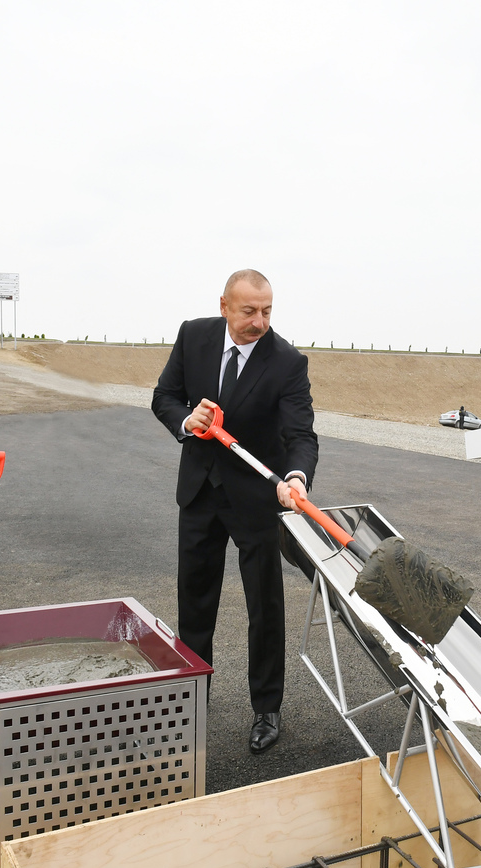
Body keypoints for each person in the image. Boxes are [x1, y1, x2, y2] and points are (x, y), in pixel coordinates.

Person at [151, 269, 318, 754]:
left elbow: (301, 435)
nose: (259, 322)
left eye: (266, 311)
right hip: (199, 492)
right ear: (224, 305)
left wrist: (296, 477)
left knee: (264, 608)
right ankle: (191, 699)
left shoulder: (287, 362)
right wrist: (187, 420)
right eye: (248, 311)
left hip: (256, 500)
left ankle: (267, 708)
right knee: (194, 603)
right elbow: (164, 397)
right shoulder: (193, 336)